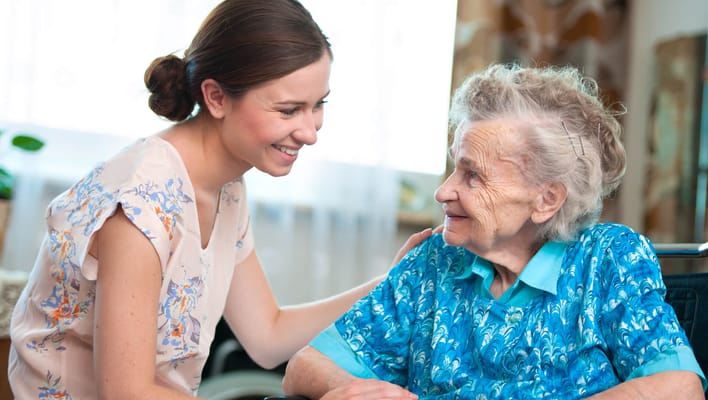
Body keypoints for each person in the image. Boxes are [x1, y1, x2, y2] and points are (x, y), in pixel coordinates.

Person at [7, 1, 432, 398]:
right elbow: (127, 395)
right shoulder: (140, 205)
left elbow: (267, 336)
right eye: (288, 110)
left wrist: (391, 284)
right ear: (216, 97)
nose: (310, 131)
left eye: (317, 105)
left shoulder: (225, 185)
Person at [281, 63, 708, 399]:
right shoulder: (433, 262)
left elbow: (676, 386)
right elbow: (304, 366)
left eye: (473, 176)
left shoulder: (607, 258)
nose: (443, 191)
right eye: (454, 166)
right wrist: (349, 392)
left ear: (547, 200)